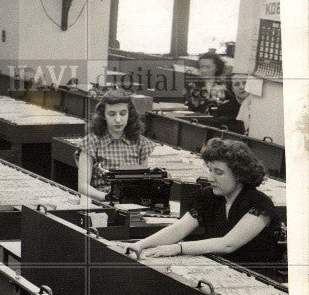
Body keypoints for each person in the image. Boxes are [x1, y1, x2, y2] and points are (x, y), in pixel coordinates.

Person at [127, 138, 283, 270]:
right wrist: (141, 245)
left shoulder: (260, 203)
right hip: (220, 268)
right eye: (210, 170)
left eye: (218, 172)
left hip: (256, 276)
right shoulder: (209, 196)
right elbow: (179, 229)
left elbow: (228, 244)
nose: (211, 177)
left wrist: (178, 248)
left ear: (239, 175)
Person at [77, 90, 157, 202]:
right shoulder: (90, 142)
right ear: (103, 115)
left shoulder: (142, 144)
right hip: (101, 202)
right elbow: (83, 186)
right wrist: (107, 197)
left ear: (130, 114)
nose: (118, 119)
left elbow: (144, 181)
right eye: (112, 114)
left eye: (123, 113)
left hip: (132, 203)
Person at [185, 53, 242, 131]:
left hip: (221, 125)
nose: (204, 70)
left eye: (208, 67)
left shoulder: (227, 86)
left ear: (217, 68)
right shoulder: (194, 85)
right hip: (196, 123)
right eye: (202, 67)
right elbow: (189, 107)